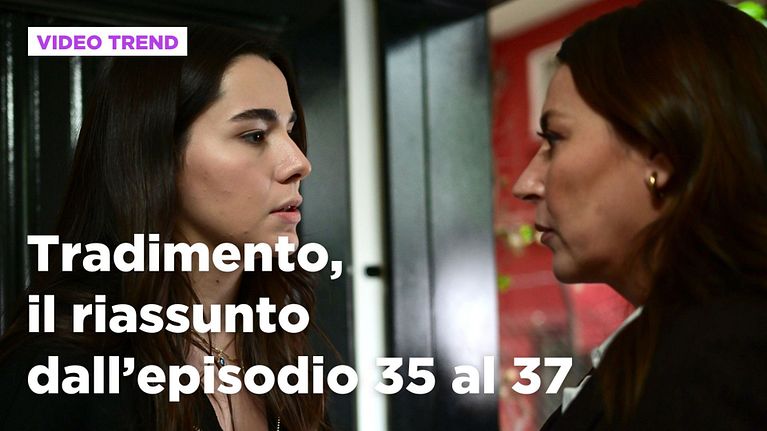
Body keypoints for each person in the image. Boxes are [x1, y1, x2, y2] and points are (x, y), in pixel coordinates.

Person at [0, 26, 329, 431]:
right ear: (157, 158)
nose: (299, 163)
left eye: (290, 132)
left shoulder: (282, 349)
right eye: (254, 135)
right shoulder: (58, 372)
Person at [512, 0, 767, 429]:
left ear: (662, 158)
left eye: (555, 139)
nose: (526, 184)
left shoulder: (718, 368)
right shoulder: (674, 350)